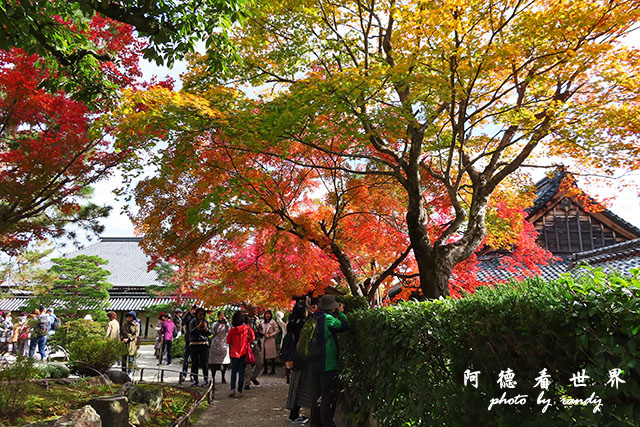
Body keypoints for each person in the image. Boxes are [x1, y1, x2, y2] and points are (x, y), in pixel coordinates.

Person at [309, 295, 349, 427]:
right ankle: (327, 423)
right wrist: (342, 313)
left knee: (316, 394)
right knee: (328, 395)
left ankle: (315, 421)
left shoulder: (313, 317)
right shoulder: (328, 319)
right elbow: (344, 326)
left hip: (313, 362)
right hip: (327, 363)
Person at [284, 304, 313, 424]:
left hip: (294, 359)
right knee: (300, 387)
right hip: (302, 359)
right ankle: (294, 415)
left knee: (295, 386)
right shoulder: (303, 325)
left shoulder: (292, 324)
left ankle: (294, 414)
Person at [226, 311, 255, 398]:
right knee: (242, 372)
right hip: (244, 351)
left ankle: (232, 389)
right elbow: (252, 338)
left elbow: (228, 341)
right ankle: (240, 390)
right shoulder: (247, 328)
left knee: (234, 371)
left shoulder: (232, 330)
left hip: (234, 352)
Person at [243, 305, 264, 390]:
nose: (255, 311)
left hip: (255, 342)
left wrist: (258, 331)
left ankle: (253, 376)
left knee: (260, 361)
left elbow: (261, 329)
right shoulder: (244, 319)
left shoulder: (257, 319)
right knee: (248, 364)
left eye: (256, 309)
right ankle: (246, 383)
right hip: (246, 343)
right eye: (253, 309)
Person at [189, 308, 211, 386]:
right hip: (194, 344)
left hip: (203, 343)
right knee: (195, 362)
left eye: (203, 315)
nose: (201, 316)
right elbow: (191, 332)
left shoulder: (206, 322)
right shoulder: (192, 322)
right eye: (200, 314)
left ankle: (206, 379)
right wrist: (197, 327)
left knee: (204, 362)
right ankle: (195, 379)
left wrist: (206, 327)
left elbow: (209, 333)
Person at [209, 310, 231, 384]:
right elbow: (214, 330)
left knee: (224, 362)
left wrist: (226, 322)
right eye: (220, 315)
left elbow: (229, 329)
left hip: (224, 344)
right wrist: (219, 322)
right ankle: (213, 377)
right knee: (214, 363)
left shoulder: (227, 324)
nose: (222, 317)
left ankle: (223, 377)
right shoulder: (215, 324)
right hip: (215, 344)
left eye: (223, 315)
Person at [180, 304, 198, 382]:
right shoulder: (188, 316)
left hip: (196, 339)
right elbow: (183, 322)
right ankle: (184, 374)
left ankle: (193, 375)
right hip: (188, 338)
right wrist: (188, 312)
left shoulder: (198, 317)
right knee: (186, 357)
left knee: (195, 359)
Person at [262, 309, 279, 375]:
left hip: (270, 340)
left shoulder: (273, 322)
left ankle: (273, 369)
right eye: (266, 314)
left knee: (272, 356)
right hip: (264, 339)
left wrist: (270, 335)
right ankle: (265, 369)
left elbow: (276, 330)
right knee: (264, 355)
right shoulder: (263, 321)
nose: (268, 315)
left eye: (269, 314)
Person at [275, 310, 290, 382]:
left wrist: (279, 316)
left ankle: (288, 376)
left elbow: (279, 321)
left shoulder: (285, 326)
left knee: (286, 361)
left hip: (285, 345)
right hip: (292, 346)